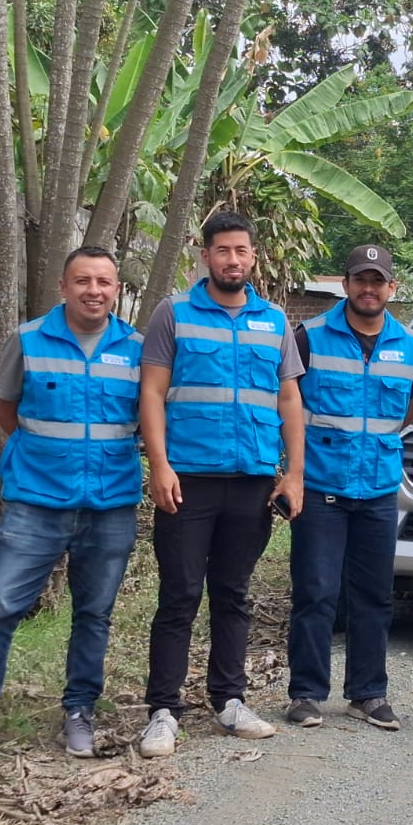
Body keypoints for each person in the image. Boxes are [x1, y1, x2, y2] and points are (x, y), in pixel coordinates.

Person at [0, 247, 143, 760]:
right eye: (83, 281)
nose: (94, 291)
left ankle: (79, 712)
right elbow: (4, 410)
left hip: (110, 503)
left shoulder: (136, 348)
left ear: (116, 289)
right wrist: (44, 456)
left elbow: (146, 419)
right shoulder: (29, 340)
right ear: (63, 287)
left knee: (93, 614)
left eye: (104, 282)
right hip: (36, 502)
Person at [136, 211, 305, 758]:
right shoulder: (174, 314)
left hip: (252, 481)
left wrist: (293, 473)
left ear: (253, 257)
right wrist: (159, 465)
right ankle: (163, 710)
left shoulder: (274, 322)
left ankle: (229, 700)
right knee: (180, 595)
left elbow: (288, 399)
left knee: (233, 594)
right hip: (188, 481)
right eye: (223, 250)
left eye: (242, 251)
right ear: (206, 255)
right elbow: (152, 392)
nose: (233, 260)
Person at [284, 245, 413, 731]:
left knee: (374, 596)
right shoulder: (310, 337)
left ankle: (367, 693)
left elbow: (410, 406)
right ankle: (305, 693)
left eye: (378, 281)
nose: (369, 289)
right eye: (360, 280)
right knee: (316, 593)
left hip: (379, 490)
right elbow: (288, 403)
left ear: (391, 288)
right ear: (345, 285)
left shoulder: (408, 344)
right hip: (320, 485)